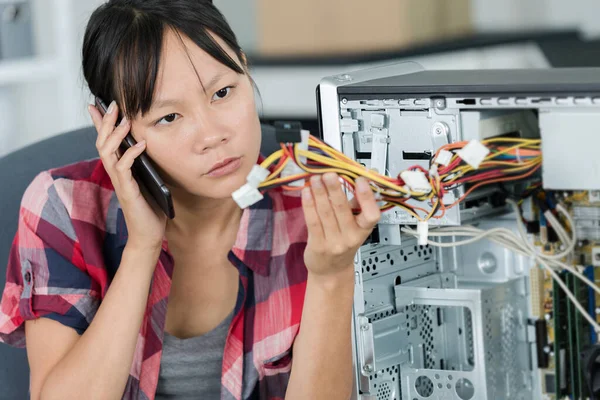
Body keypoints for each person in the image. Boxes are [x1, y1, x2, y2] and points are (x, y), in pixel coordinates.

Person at [0, 0, 380, 399]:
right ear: (117, 130)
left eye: (223, 92)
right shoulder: (64, 209)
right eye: (168, 117)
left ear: (245, 71)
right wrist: (141, 248)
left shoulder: (317, 206)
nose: (212, 134)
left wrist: (331, 275)